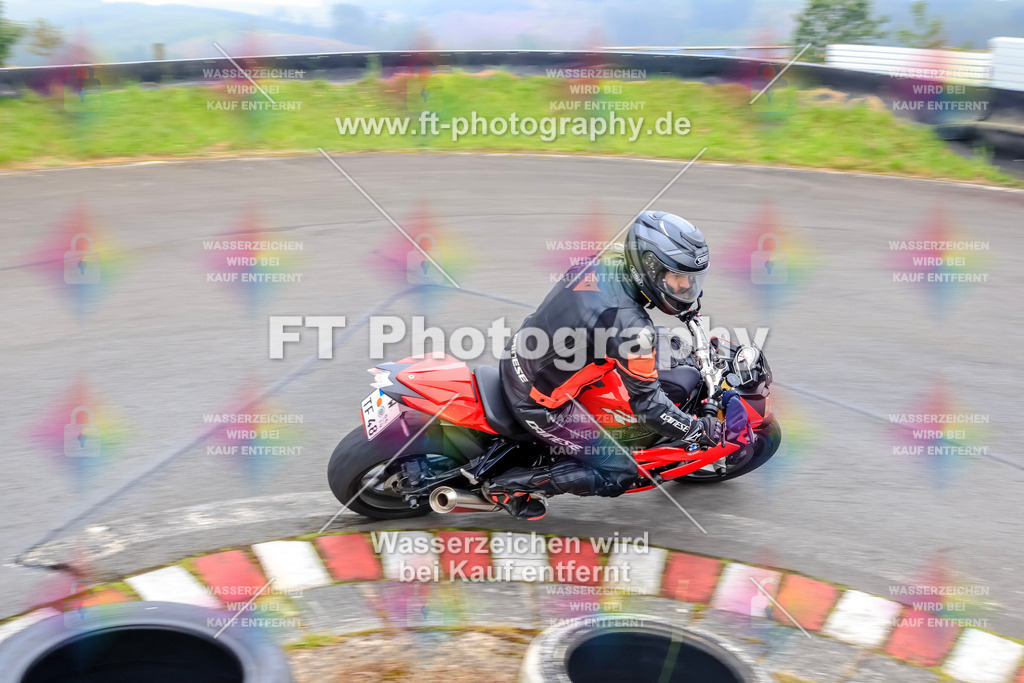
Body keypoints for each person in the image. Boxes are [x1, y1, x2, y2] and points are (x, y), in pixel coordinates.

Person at [484, 210, 725, 519]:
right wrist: (695, 429)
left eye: (691, 280)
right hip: (540, 403)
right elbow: (650, 407)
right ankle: (509, 486)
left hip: (524, 353)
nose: (686, 289)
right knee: (620, 471)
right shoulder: (632, 328)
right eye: (678, 279)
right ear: (649, 267)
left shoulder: (603, 262)